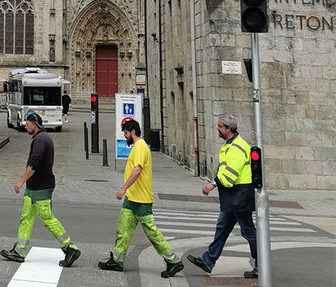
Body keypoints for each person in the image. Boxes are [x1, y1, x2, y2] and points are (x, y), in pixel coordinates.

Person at [98, 119, 184, 277]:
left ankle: (173, 261)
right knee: (123, 230)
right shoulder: (138, 147)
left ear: (132, 132)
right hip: (132, 199)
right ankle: (117, 260)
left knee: (152, 232)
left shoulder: (140, 147)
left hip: (142, 200)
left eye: (125, 133)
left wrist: (123, 188)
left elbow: (137, 170)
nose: (125, 137)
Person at [0, 112, 81, 267]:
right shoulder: (42, 138)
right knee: (26, 218)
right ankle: (19, 250)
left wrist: (20, 182)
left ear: (34, 124)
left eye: (27, 123)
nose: (25, 126)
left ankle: (70, 248)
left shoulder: (40, 140)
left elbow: (34, 164)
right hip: (34, 188)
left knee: (48, 219)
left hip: (40, 188)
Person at [188, 114, 259, 278]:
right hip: (233, 197)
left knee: (248, 232)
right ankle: (208, 261)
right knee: (222, 227)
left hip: (239, 196)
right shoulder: (231, 144)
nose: (217, 129)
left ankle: (261, 266)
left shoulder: (237, 147)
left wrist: (212, 184)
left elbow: (230, 175)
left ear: (229, 129)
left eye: (220, 126)